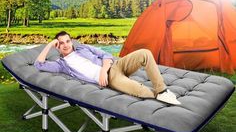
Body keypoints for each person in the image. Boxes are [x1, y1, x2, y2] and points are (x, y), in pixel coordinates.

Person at [34, 31, 181, 105]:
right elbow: (39, 64)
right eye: (61, 43)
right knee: (141, 91)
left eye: (67, 41)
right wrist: (49, 44)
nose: (65, 45)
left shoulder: (83, 48)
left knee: (145, 53)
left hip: (115, 66)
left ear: (71, 42)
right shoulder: (62, 65)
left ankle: (162, 90)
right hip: (112, 79)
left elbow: (107, 55)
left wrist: (104, 70)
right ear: (57, 46)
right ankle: (158, 95)